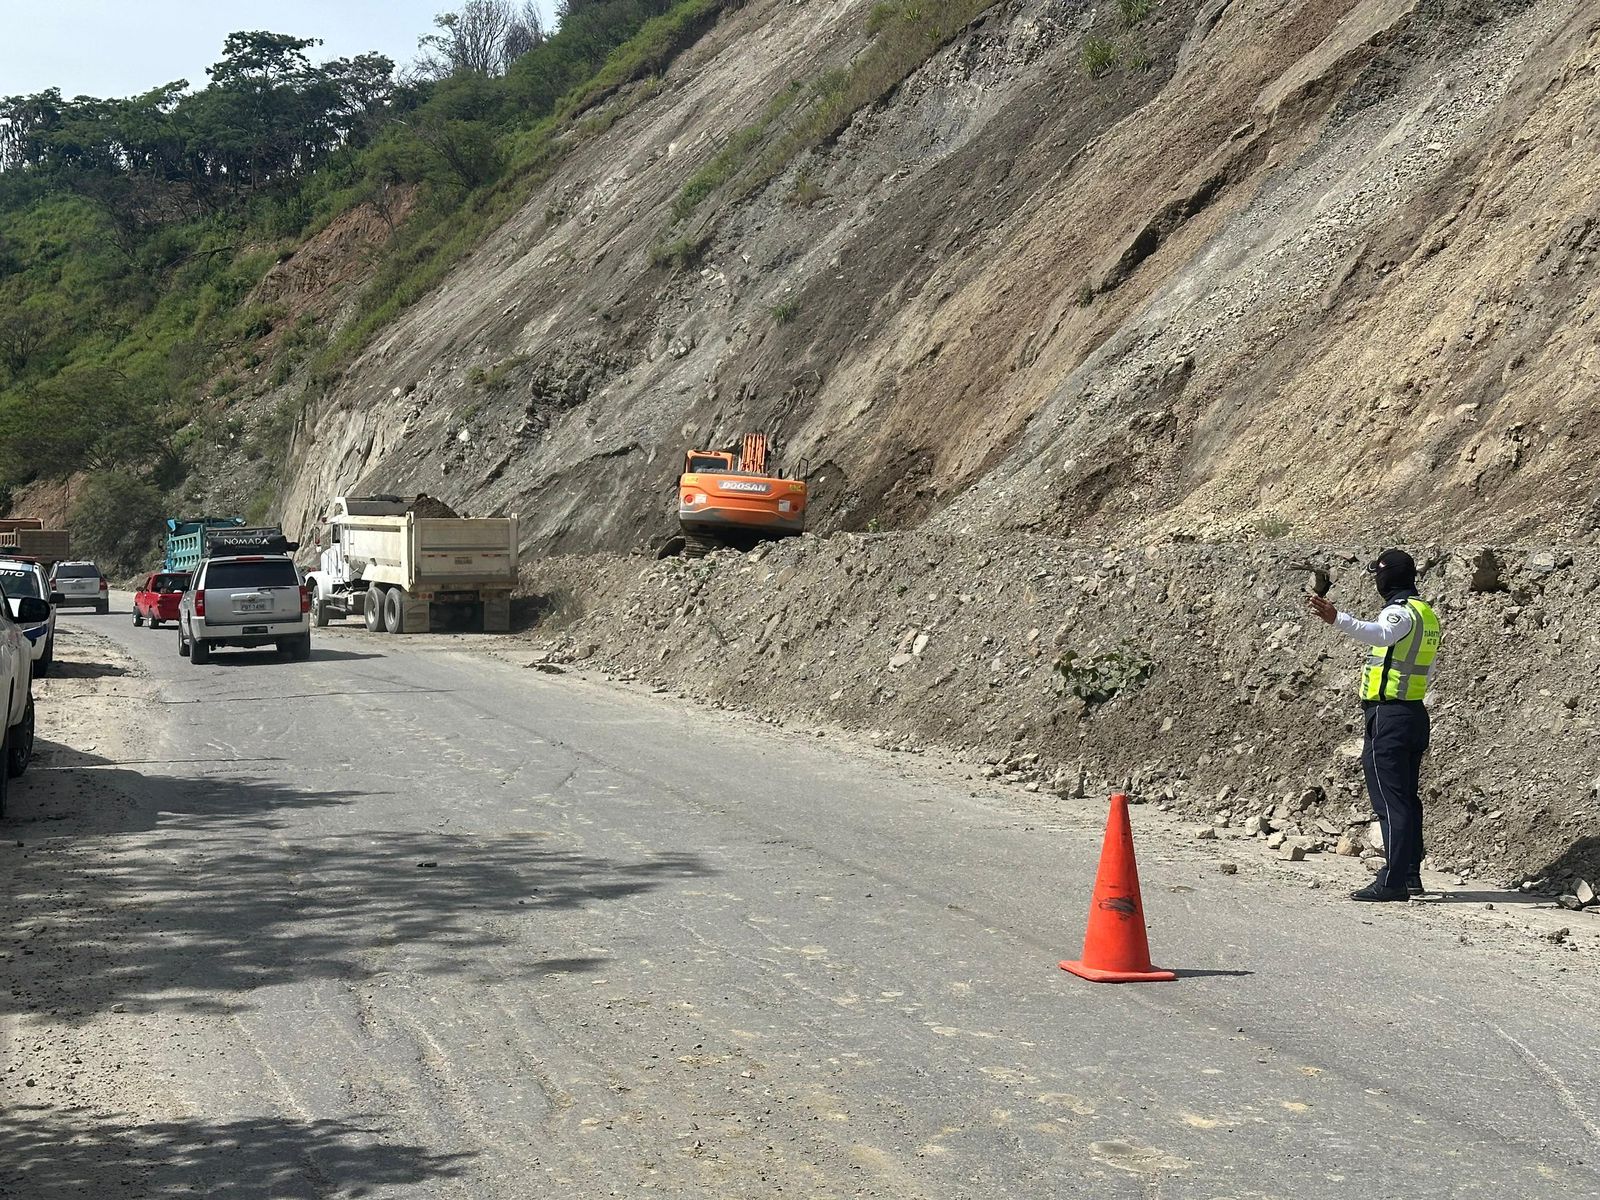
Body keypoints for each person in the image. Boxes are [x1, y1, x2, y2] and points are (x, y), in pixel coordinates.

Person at [1307, 549, 1442, 902]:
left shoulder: (1398, 613)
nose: (1376, 581)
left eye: (1378, 574)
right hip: (1412, 713)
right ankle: (1410, 873)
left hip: (1389, 716)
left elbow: (1381, 634)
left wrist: (1339, 619)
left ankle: (1393, 881)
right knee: (1407, 800)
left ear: (1388, 577)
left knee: (1390, 802)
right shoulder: (1426, 614)